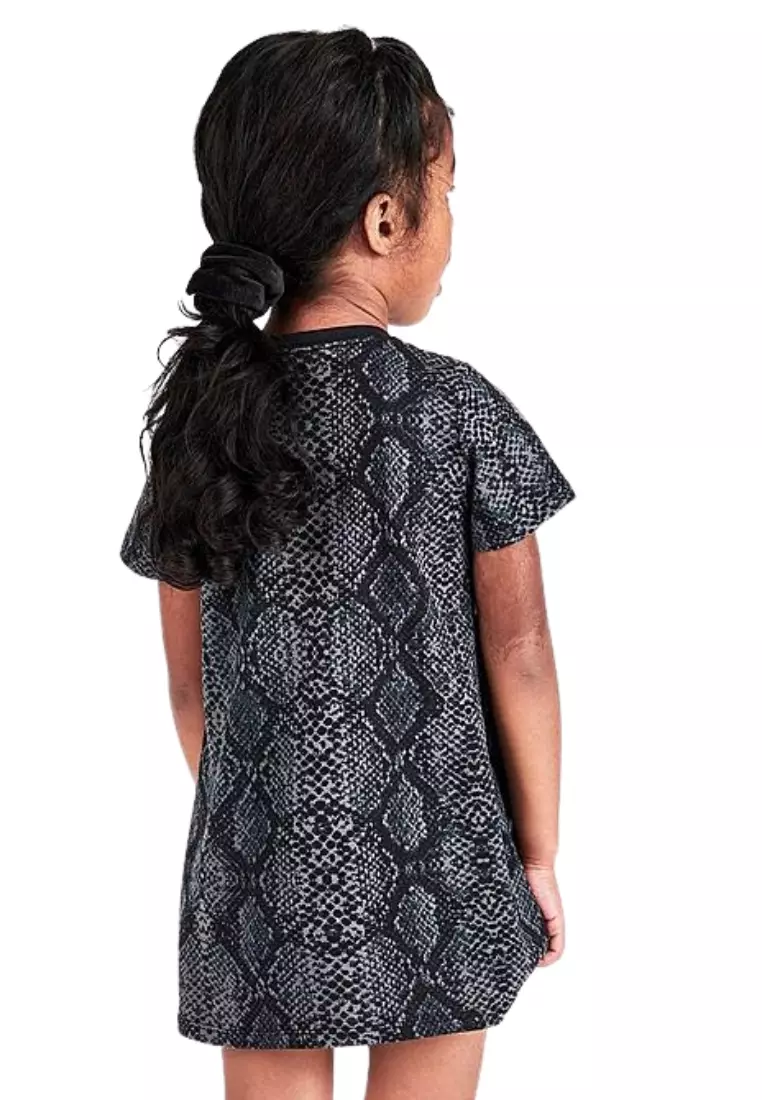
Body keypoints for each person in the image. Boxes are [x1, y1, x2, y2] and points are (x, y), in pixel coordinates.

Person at [119, 26, 576, 1100]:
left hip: (259, 871)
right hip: (445, 859)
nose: (452, 226)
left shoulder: (201, 424)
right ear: (385, 220)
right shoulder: (457, 410)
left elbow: (190, 690)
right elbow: (520, 651)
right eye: (446, 194)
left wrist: (268, 819)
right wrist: (537, 853)